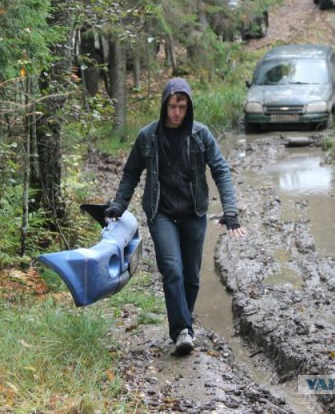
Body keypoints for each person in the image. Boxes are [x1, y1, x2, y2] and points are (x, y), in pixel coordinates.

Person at [105, 77, 246, 355]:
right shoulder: (148, 136)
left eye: (182, 106)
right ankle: (182, 330)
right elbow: (131, 173)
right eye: (172, 106)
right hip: (161, 213)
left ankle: (184, 323)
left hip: (194, 213)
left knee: (191, 276)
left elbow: (221, 170)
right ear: (164, 106)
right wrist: (117, 206)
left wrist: (230, 211)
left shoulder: (201, 135)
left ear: (189, 106)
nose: (177, 112)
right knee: (172, 269)